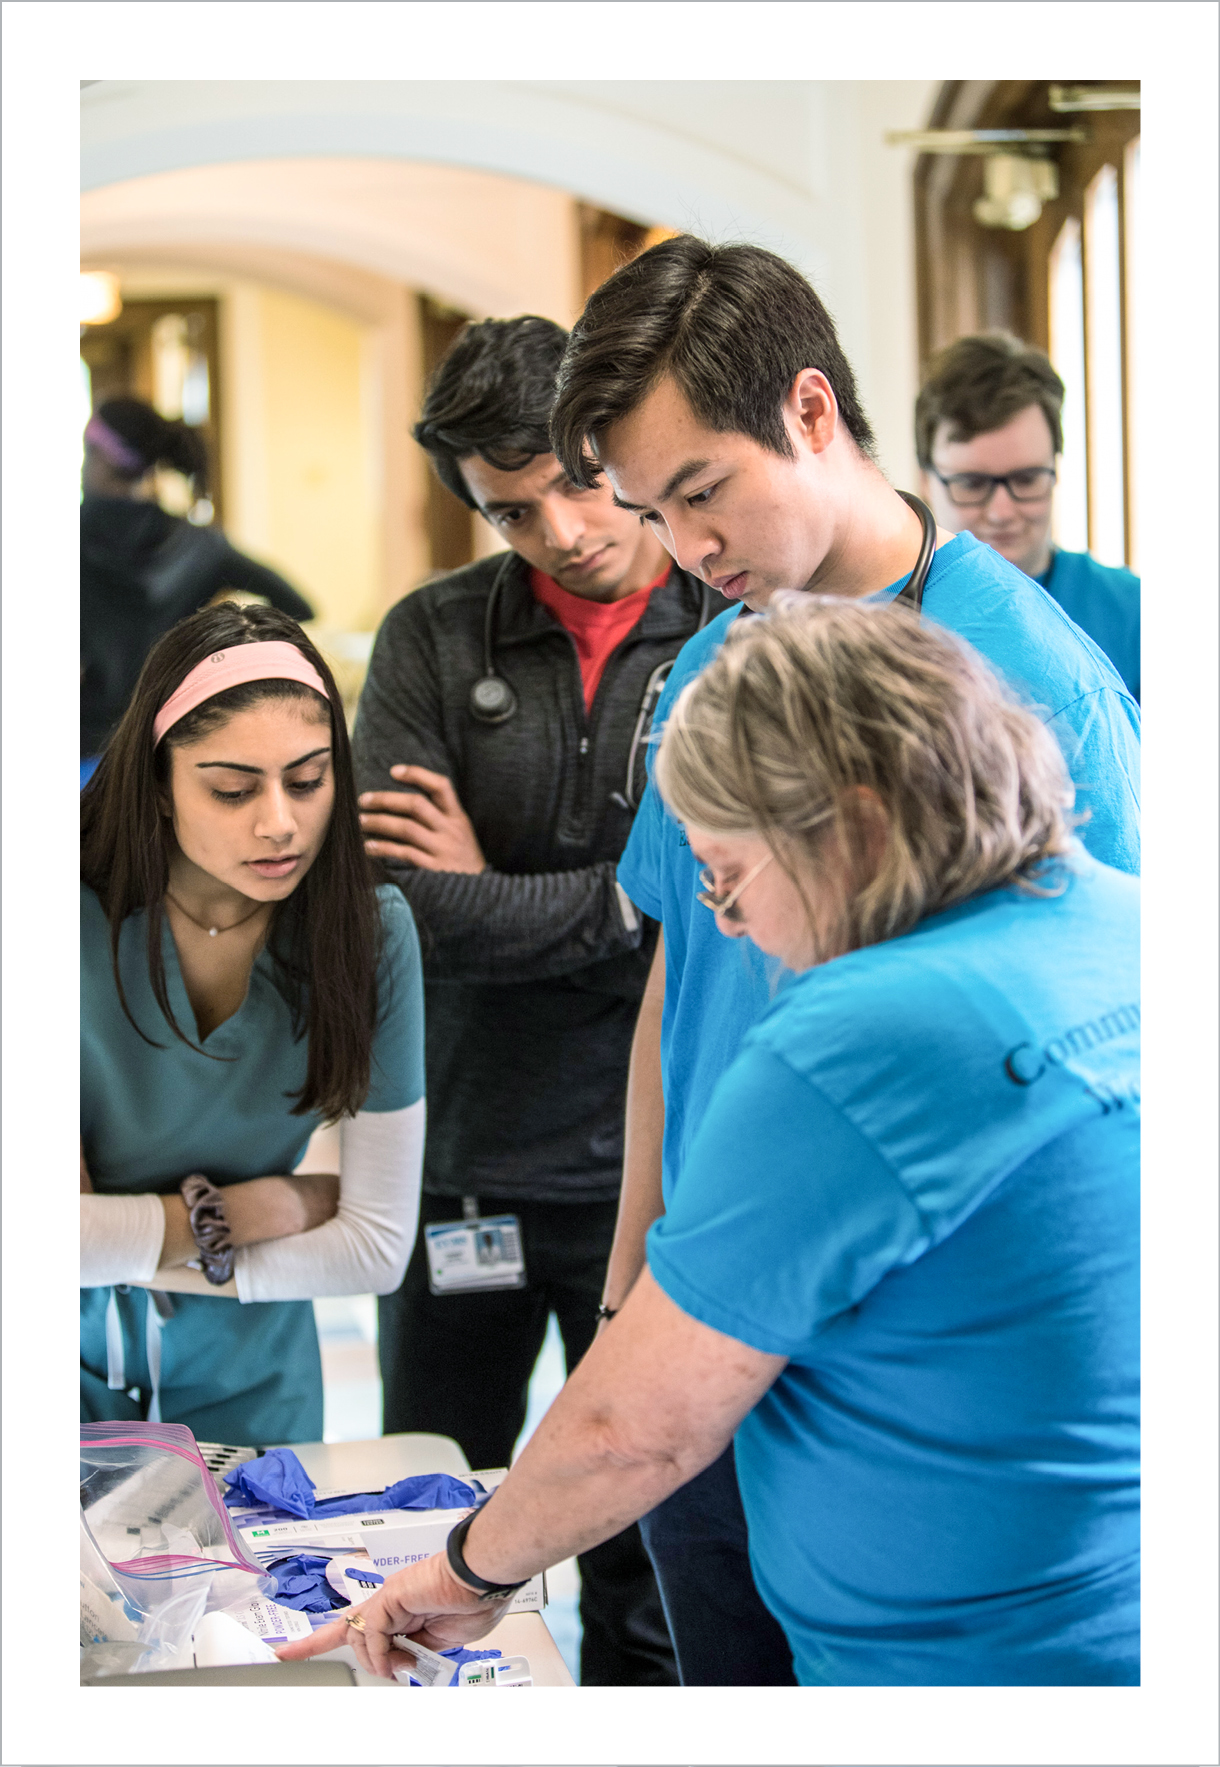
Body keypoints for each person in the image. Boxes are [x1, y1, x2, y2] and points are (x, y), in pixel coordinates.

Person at [280, 598, 1140, 1688]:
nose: (726, 922)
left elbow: (632, 1429)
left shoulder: (867, 1033)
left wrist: (461, 1573)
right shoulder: (1128, 924)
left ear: (854, 827)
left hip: (956, 1663)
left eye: (728, 871)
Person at [542, 234, 1142, 1686]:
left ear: (811, 410)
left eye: (702, 491)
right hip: (706, 1319)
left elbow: (1122, 1054)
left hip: (920, 1377)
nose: (687, 551)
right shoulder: (718, 664)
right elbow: (677, 989)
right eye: (653, 512)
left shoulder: (1033, 683)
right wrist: (628, 1291)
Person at [351, 316, 727, 1683]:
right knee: (423, 1512)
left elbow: (718, 906)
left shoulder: (733, 622)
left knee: (648, 1552)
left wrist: (507, 890)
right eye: (511, 511)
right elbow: (405, 907)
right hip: (468, 1155)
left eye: (578, 482)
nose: (561, 531)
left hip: (659, 1163)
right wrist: (625, 902)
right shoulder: (434, 635)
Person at [80, 602, 424, 1446]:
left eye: (307, 781)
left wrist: (144, 1238)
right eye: (231, 789)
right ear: (158, 786)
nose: (280, 822)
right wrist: (262, 1208)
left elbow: (376, 1249)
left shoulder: (368, 933)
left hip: (257, 1380)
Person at [81, 397, 314, 776]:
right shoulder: (200, 547)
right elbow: (299, 606)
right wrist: (222, 647)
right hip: (171, 751)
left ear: (100, 456)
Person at [916, 333, 1141, 700]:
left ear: (1055, 469)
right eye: (972, 484)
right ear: (926, 480)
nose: (1001, 512)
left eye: (1026, 479)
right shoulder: (889, 617)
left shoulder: (1134, 614)